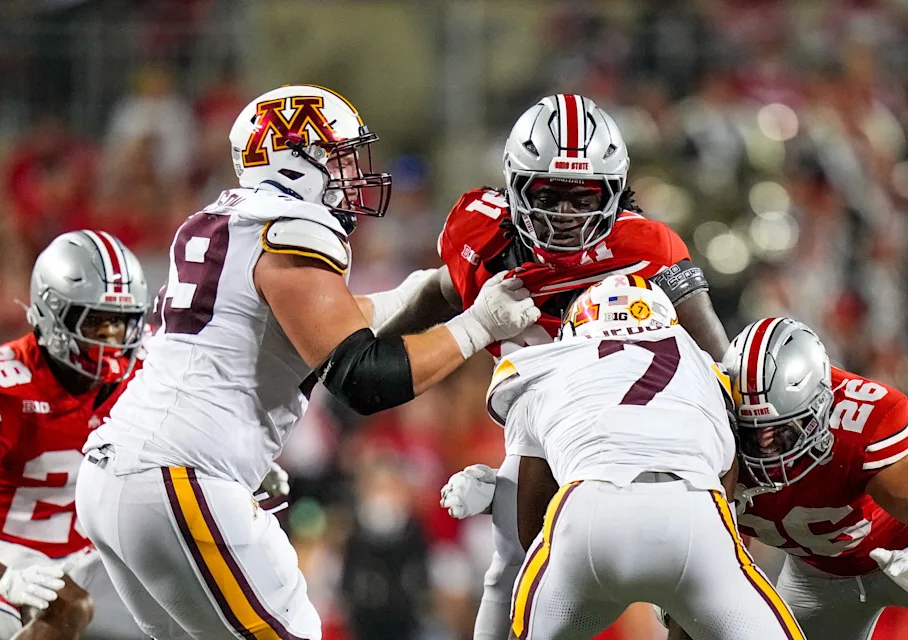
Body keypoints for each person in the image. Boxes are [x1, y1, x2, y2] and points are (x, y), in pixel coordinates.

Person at [73, 84, 540, 640]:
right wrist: (475, 326)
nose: (352, 176)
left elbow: (325, 323)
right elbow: (362, 379)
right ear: (293, 161)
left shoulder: (222, 220)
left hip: (119, 472)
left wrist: (435, 289)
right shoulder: (290, 229)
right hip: (180, 472)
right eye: (338, 158)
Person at [382, 94, 729, 640]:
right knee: (512, 564)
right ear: (515, 187)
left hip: (637, 434)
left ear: (613, 194)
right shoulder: (481, 234)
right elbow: (442, 292)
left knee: (688, 584)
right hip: (539, 429)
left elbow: (718, 363)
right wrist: (374, 343)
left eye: (583, 196)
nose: (565, 215)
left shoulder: (647, 247)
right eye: (548, 194)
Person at [484, 275, 804, 639]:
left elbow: (530, 527)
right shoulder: (707, 369)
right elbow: (725, 492)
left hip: (591, 514)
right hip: (695, 514)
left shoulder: (546, 365)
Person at [0, 230, 149, 640]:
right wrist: (1, 577)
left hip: (85, 557)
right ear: (52, 313)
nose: (112, 338)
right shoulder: (3, 383)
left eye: (122, 323)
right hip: (3, 555)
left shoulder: (144, 374)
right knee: (70, 608)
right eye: (96, 321)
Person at [701, 317, 908, 640]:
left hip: (899, 552)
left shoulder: (868, 421)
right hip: (817, 577)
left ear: (821, 405)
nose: (766, 447)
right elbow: (719, 554)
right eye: (751, 432)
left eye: (780, 430)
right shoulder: (711, 434)